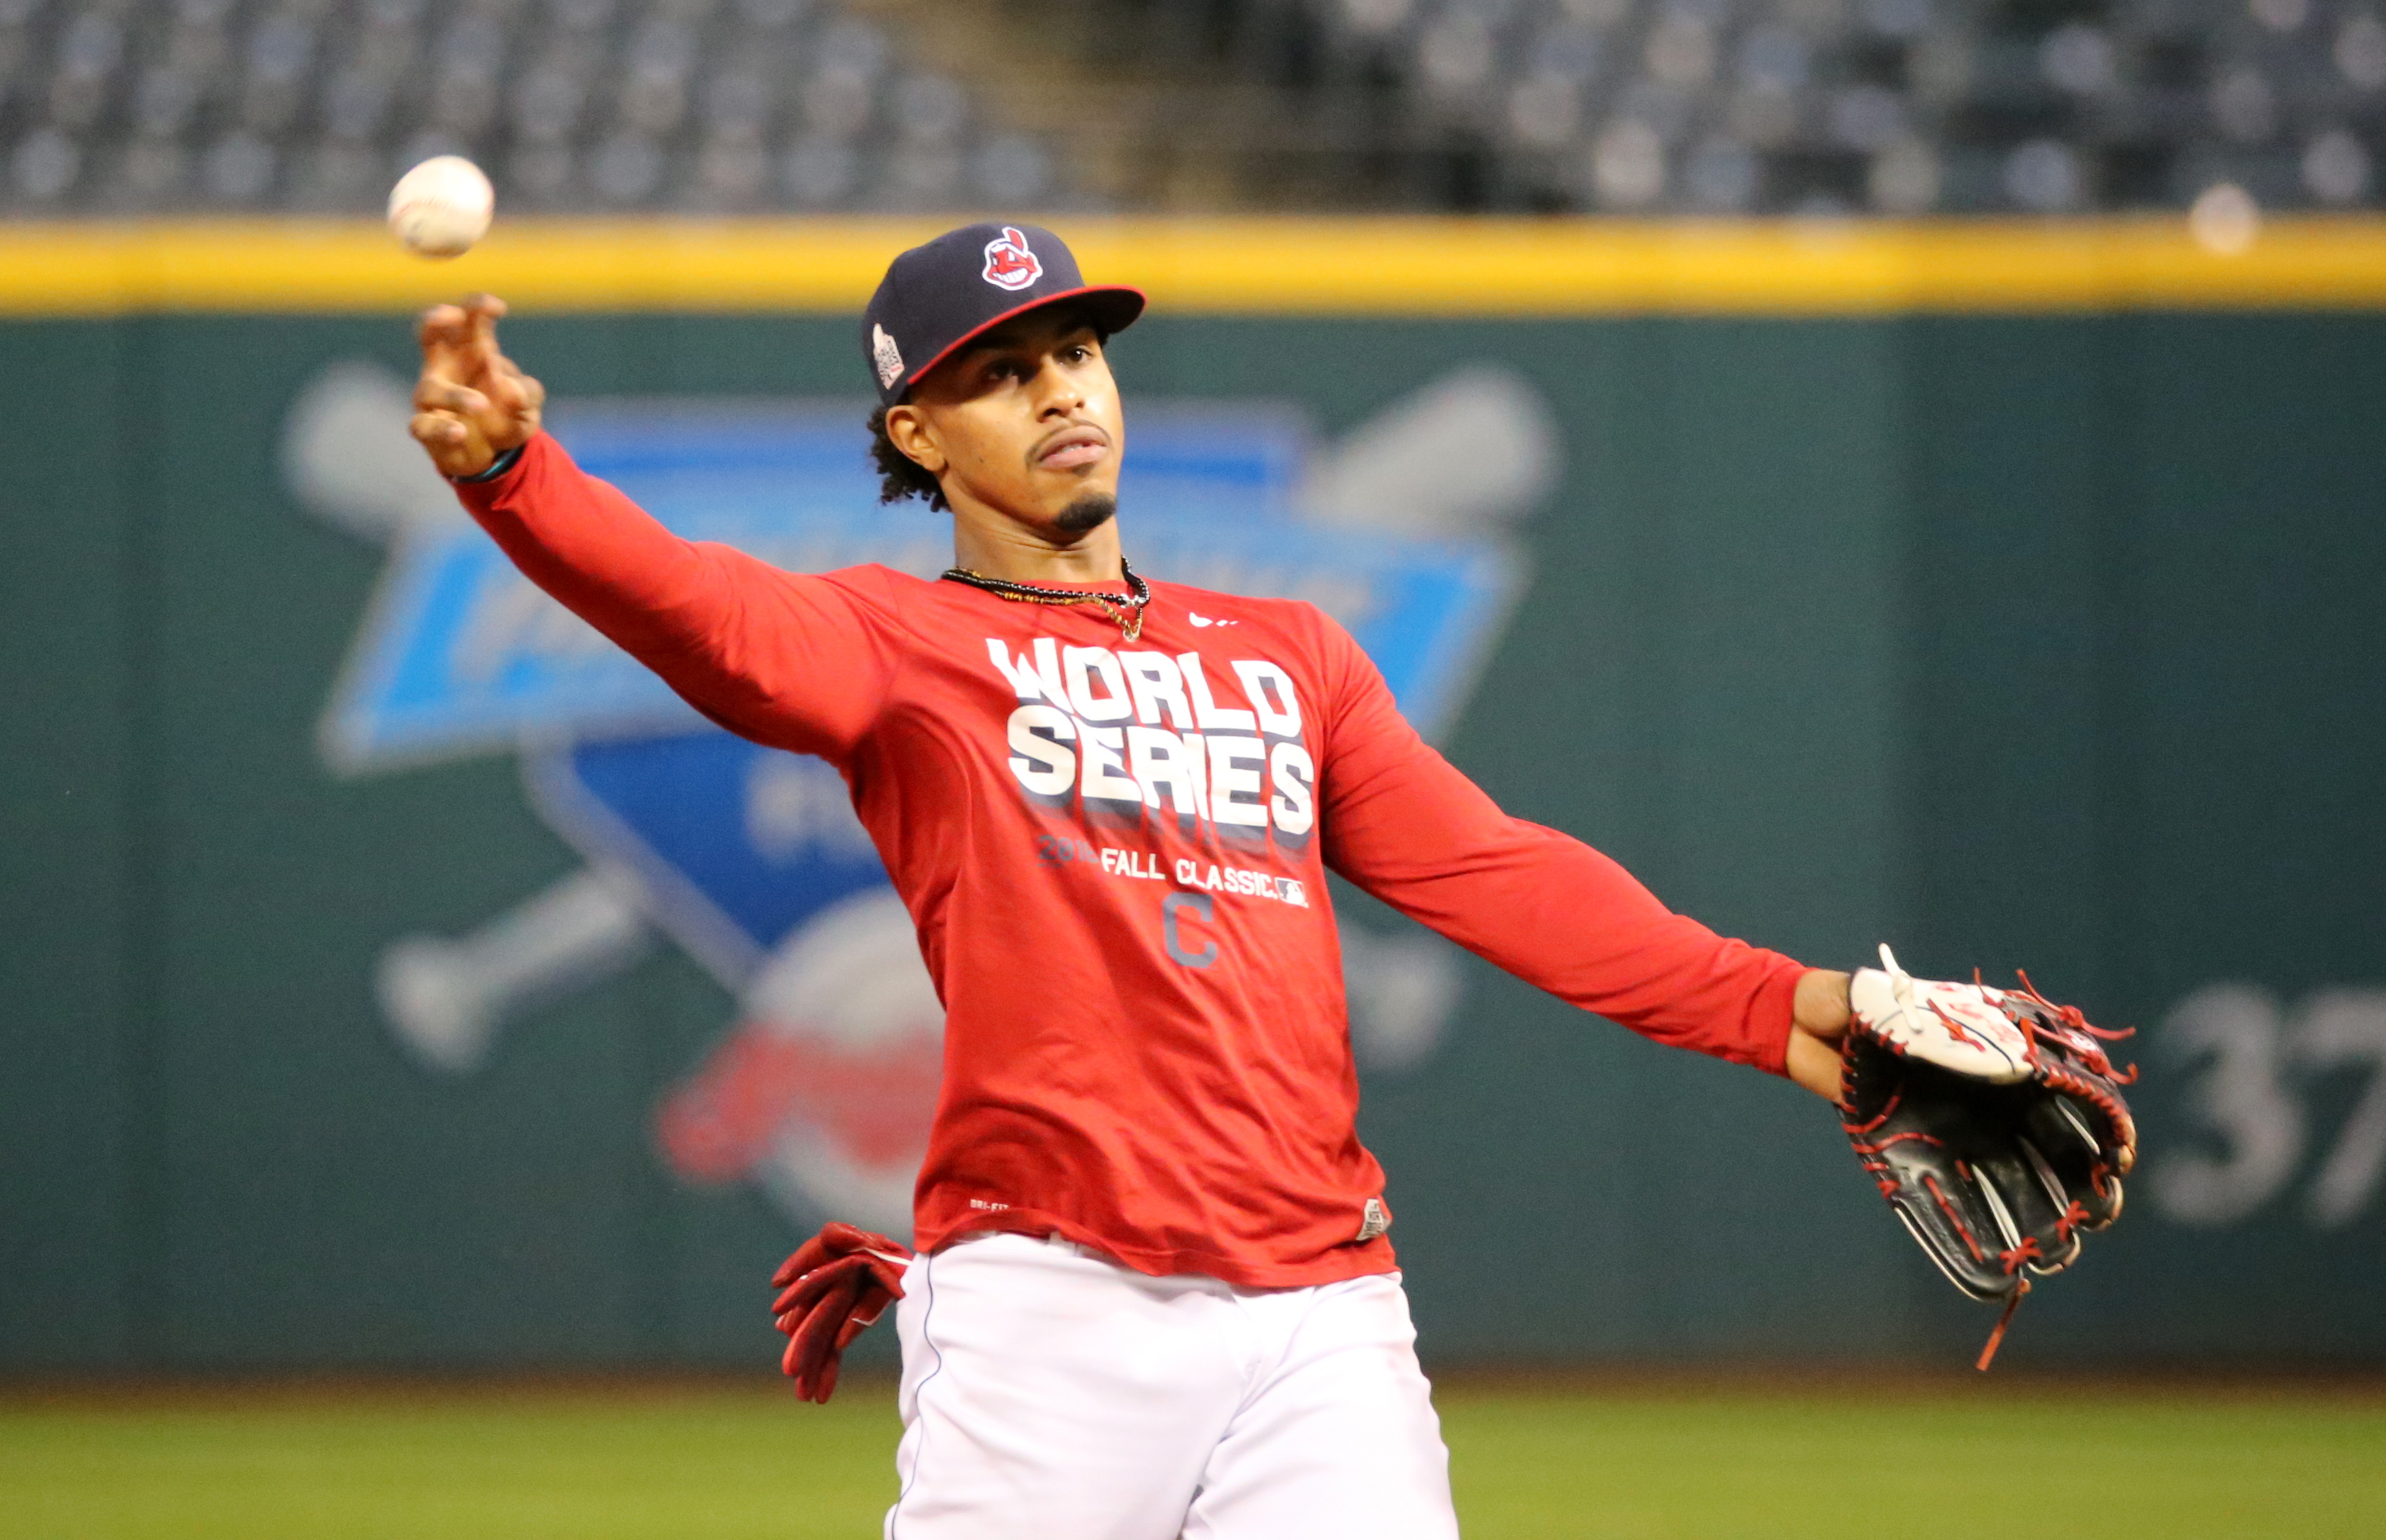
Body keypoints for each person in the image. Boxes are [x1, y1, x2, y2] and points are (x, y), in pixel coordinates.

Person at [409, 223, 1860, 1539]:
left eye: (1077, 352)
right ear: (917, 434)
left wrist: (1799, 1005)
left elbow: (1495, 870)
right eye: (1001, 373)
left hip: (1322, 1313)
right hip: (1052, 1310)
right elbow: (697, 609)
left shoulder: (1291, 652)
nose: (1060, 392)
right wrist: (513, 477)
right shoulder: (895, 646)